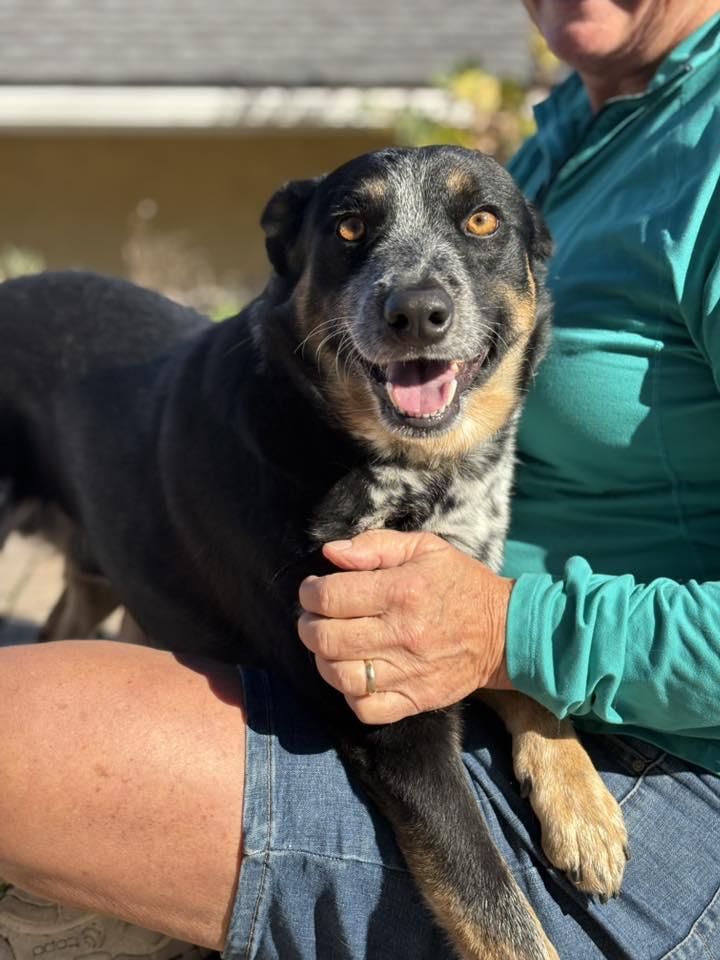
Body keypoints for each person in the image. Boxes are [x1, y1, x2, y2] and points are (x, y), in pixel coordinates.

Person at [2, 0, 720, 957]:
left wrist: (510, 635)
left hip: (667, 786)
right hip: (496, 689)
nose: (418, 297)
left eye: (474, 225)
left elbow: (469, 645)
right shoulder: (571, 133)